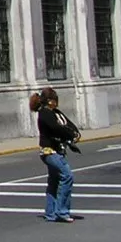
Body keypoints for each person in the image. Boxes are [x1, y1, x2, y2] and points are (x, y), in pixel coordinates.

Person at [30, 87, 81, 223]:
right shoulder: (45, 113)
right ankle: (62, 211)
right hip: (49, 151)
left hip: (57, 150)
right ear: (49, 101)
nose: (56, 102)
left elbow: (67, 123)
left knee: (54, 180)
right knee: (67, 175)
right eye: (54, 99)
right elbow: (56, 128)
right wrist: (69, 134)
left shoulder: (55, 112)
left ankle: (51, 212)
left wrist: (75, 133)